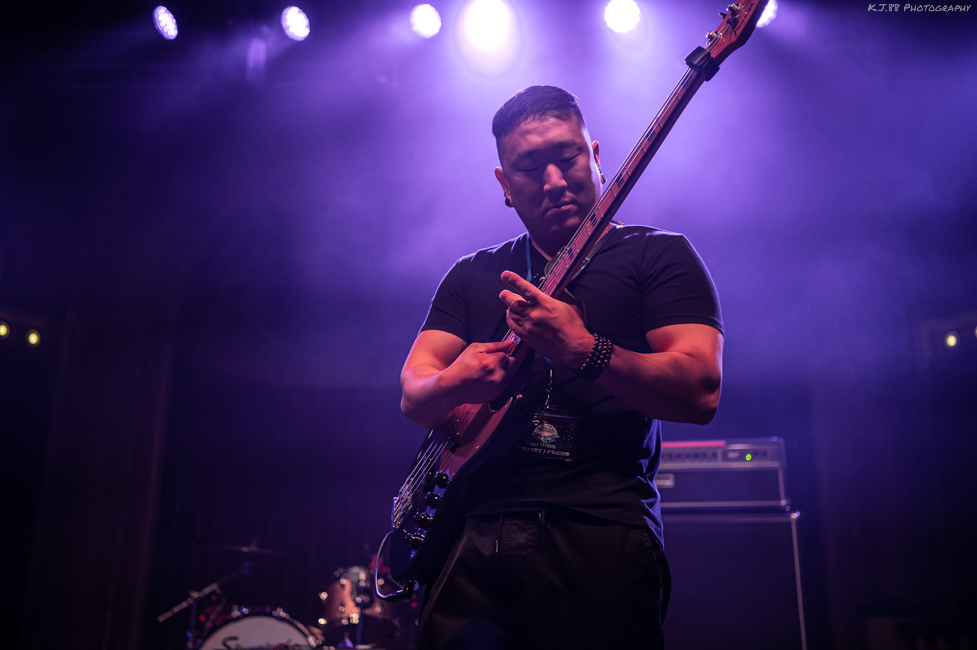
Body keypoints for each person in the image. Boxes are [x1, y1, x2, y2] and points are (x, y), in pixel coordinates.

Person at [399, 85, 724, 650]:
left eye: (567, 157)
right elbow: (414, 394)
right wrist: (458, 380)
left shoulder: (660, 255)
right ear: (504, 185)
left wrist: (586, 350)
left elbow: (701, 392)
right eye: (529, 167)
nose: (554, 181)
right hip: (472, 534)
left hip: (600, 531)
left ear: (596, 154)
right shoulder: (474, 274)